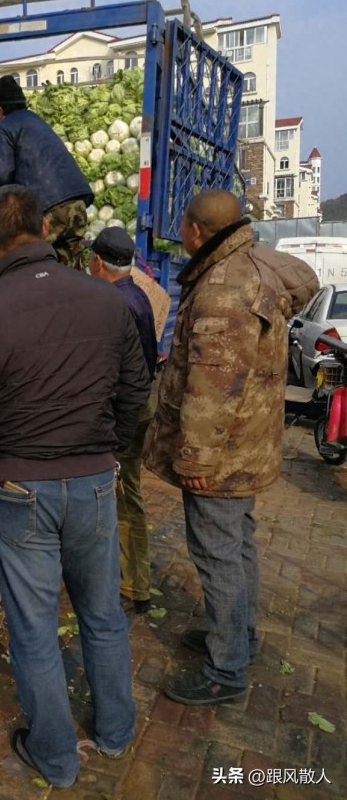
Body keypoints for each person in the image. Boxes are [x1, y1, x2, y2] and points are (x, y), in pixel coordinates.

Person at [0, 185, 151, 787]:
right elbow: (136, 389)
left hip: (18, 485)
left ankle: (55, 758)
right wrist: (104, 445)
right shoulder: (106, 300)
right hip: (93, 480)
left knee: (34, 628)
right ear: (46, 230)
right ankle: (116, 733)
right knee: (102, 614)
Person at [143, 189, 319, 705]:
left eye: (182, 225)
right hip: (245, 446)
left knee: (217, 555)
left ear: (196, 231)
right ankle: (239, 637)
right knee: (237, 547)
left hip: (220, 455)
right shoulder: (255, 263)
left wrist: (195, 459)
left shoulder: (224, 289)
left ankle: (226, 669)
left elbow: (212, 388)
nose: (180, 232)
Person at [87, 227, 158, 614]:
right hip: (135, 407)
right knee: (120, 494)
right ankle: (124, 577)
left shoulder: (116, 304)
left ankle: (133, 586)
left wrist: (118, 429)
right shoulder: (135, 295)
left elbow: (124, 373)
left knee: (126, 498)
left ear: (98, 262)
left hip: (126, 411)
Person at [0, 74, 93, 269]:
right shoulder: (36, 120)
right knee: (72, 270)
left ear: (0, 110)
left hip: (50, 210)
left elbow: (1, 174)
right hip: (77, 202)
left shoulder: (2, 127)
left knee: (29, 267)